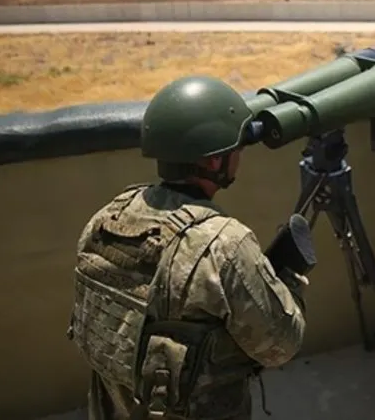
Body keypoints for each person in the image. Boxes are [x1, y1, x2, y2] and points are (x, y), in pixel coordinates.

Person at [67, 75, 310, 420]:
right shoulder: (223, 245)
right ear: (213, 161)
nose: (240, 154)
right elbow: (279, 347)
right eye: (235, 147)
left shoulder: (106, 218)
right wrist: (288, 280)